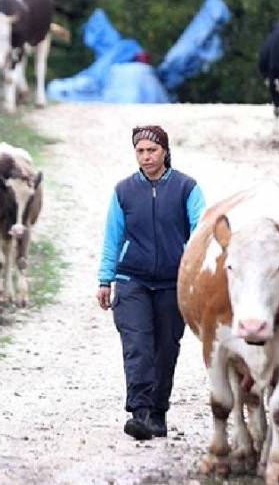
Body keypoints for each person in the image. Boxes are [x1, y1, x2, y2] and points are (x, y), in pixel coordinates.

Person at [96, 125, 206, 441]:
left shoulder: (187, 188)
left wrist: (193, 272)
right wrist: (105, 279)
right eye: (140, 151)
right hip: (133, 280)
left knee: (166, 350)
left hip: (174, 283)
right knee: (137, 346)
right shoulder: (123, 191)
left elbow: (200, 232)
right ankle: (139, 413)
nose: (146, 157)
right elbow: (112, 238)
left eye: (152, 150)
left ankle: (158, 414)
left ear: (165, 152)